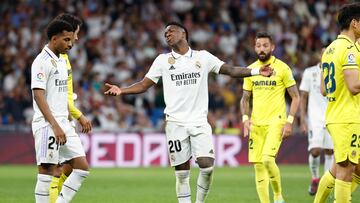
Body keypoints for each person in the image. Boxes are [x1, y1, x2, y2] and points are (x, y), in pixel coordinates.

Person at [104, 22, 272, 203]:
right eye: (165, 33)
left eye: (171, 31)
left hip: (199, 122)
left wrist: (256, 71)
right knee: (182, 174)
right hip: (175, 123)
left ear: (183, 33)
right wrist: (122, 90)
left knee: (207, 167)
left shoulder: (203, 57)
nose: (167, 35)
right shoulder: (162, 60)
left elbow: (230, 70)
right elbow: (144, 85)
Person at [31, 19, 89, 203]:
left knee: (81, 167)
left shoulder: (62, 61)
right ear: (54, 39)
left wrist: (70, 119)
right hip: (48, 124)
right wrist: (54, 125)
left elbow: (64, 95)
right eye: (66, 40)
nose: (70, 44)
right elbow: (38, 96)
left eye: (71, 39)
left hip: (64, 123)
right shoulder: (41, 61)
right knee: (47, 171)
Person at [240, 31, 300, 203]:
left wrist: (289, 122)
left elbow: (295, 96)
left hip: (276, 121)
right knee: (258, 166)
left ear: (272, 47)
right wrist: (245, 120)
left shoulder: (283, 68)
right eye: (258, 45)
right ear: (254, 47)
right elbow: (245, 98)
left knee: (267, 160)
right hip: (256, 123)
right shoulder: (251, 70)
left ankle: (278, 195)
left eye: (265, 45)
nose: (262, 49)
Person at [313, 3, 360, 203]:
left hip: (336, 115)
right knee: (345, 172)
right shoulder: (349, 49)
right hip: (347, 118)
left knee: (341, 169)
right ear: (355, 24)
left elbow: (323, 89)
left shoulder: (330, 49)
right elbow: (354, 86)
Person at [48, 13, 92, 203]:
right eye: (76, 33)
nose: (77, 38)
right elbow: (57, 95)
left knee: (69, 167)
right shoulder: (55, 59)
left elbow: (65, 94)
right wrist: (79, 115)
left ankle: (57, 199)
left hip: (65, 117)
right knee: (56, 168)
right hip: (56, 118)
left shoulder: (63, 58)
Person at [299, 48, 334, 196]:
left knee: (330, 151)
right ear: (319, 55)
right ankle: (315, 178)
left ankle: (326, 184)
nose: (325, 55)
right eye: (323, 53)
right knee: (315, 151)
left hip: (332, 116)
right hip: (314, 118)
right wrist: (302, 119)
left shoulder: (335, 71)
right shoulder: (309, 72)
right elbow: (303, 97)